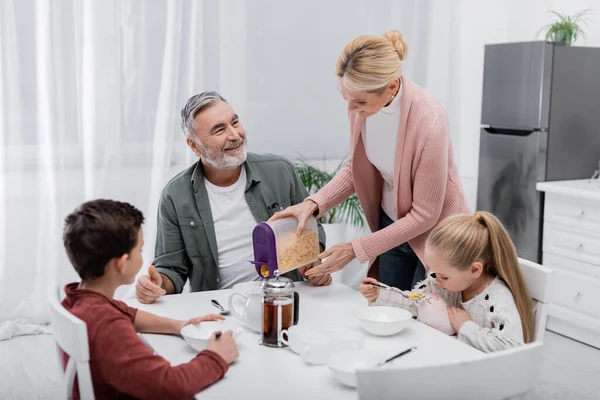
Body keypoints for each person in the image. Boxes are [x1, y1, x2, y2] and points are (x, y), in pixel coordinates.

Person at [271, 29, 470, 291]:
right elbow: (358, 167)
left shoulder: (430, 121)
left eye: (359, 101)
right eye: (346, 98)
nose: (352, 109)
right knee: (387, 310)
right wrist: (314, 203)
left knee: (426, 319)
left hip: (437, 236)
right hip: (391, 224)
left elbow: (424, 215)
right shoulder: (361, 105)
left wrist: (355, 249)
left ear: (392, 87)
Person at [136, 91, 331, 304]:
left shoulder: (281, 172)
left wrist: (314, 265)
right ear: (194, 146)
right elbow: (171, 268)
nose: (235, 135)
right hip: (218, 308)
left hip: (284, 299)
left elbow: (313, 232)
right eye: (219, 129)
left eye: (235, 122)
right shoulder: (175, 196)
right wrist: (157, 285)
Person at [61, 199, 239, 399]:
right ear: (122, 263)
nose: (142, 256)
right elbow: (169, 385)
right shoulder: (108, 326)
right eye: (140, 249)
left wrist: (181, 325)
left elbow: (128, 314)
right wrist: (216, 357)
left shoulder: (80, 300)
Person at [359, 212, 534, 353]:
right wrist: (380, 294)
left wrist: (466, 327)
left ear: (474, 270)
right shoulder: (444, 283)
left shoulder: (497, 300)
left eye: (444, 276)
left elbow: (513, 347)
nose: (436, 280)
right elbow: (417, 301)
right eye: (434, 272)